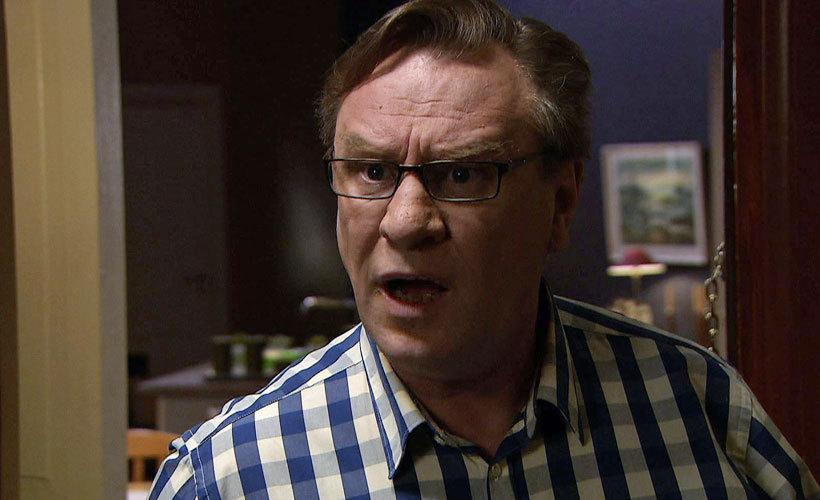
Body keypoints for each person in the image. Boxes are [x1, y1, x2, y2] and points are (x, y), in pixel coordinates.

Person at [150, 0, 818, 498]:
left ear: (560, 203)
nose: (407, 222)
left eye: (464, 174)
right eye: (372, 172)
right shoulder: (230, 477)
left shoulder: (702, 409)